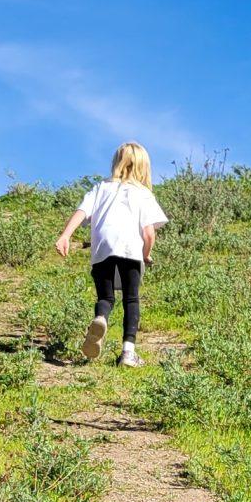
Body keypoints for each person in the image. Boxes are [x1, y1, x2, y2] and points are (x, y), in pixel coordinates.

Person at [55, 142, 168, 365]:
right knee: (131, 299)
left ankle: (100, 318)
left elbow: (82, 211)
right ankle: (128, 353)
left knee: (106, 297)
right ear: (145, 167)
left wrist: (65, 235)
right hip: (130, 250)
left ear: (116, 163)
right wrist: (146, 254)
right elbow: (148, 233)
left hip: (102, 248)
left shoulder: (101, 188)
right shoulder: (143, 194)